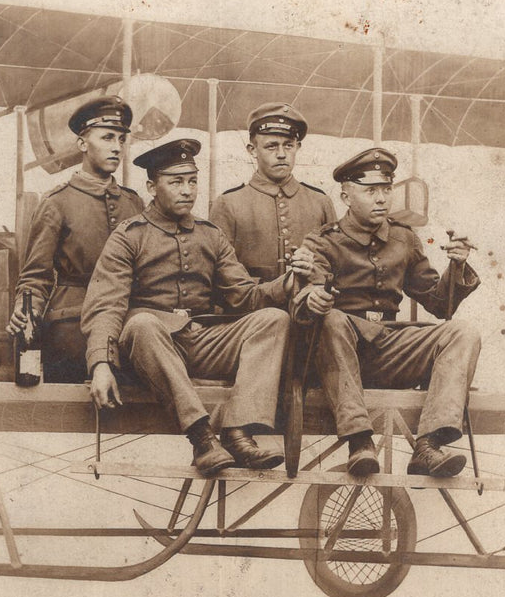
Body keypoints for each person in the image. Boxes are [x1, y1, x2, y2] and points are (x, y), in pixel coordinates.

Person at [81, 138, 313, 476]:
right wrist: (101, 364)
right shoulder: (129, 236)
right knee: (142, 323)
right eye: (176, 182)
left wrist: (286, 284)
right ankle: (202, 437)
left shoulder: (210, 235)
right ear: (152, 187)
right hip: (151, 348)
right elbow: (105, 305)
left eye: (192, 181)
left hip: (199, 341)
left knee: (274, 319)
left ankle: (238, 432)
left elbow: (243, 296)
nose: (187, 191)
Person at [296, 147, 482, 477]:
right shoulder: (322, 242)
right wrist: (315, 297)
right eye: (371, 191)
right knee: (333, 319)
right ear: (346, 196)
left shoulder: (404, 238)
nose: (382, 199)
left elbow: (440, 305)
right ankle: (359, 442)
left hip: (388, 352)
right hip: (339, 358)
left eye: (386, 189)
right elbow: (312, 293)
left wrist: (457, 265)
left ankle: (428, 446)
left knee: (463, 332)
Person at [8, 96, 145, 382]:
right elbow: (35, 277)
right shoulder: (57, 202)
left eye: (121, 139)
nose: (117, 147)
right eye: (107, 137)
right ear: (82, 143)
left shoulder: (134, 204)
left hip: (126, 328)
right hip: (72, 330)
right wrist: (25, 309)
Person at [208, 103, 336, 282]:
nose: (281, 154)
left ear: (298, 147)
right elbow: (219, 275)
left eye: (288, 145)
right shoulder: (228, 204)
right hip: (248, 300)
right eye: (271, 146)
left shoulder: (320, 202)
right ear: (252, 150)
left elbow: (336, 266)